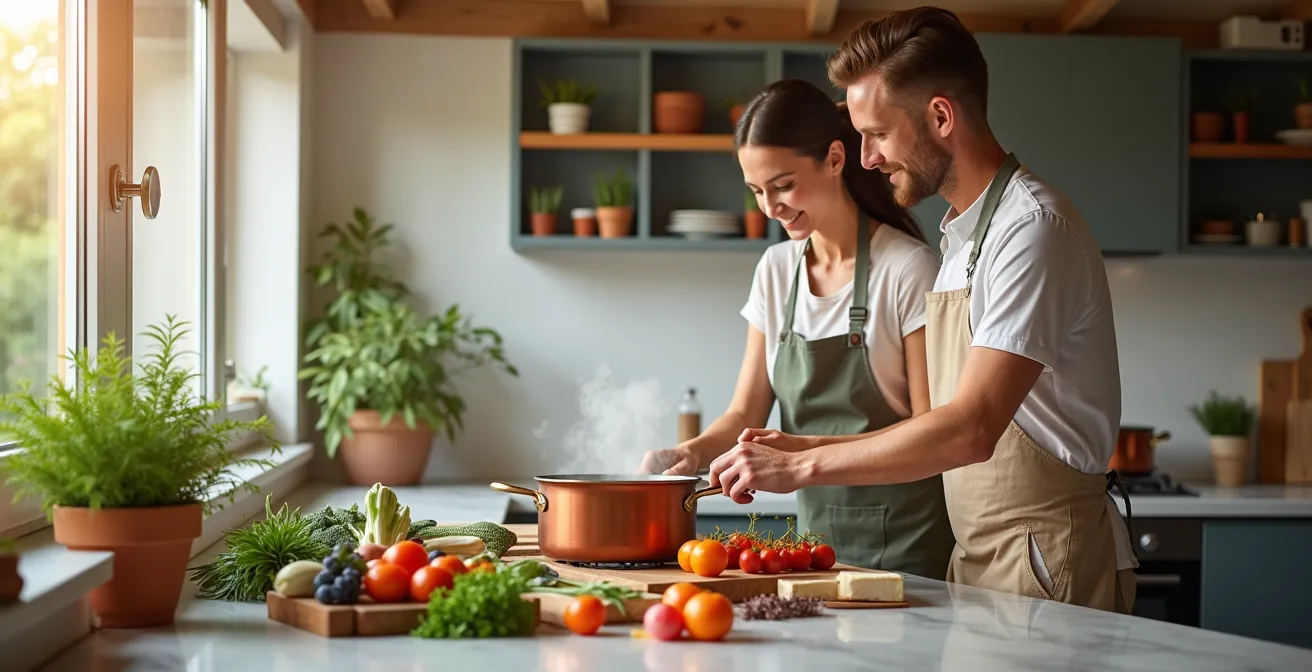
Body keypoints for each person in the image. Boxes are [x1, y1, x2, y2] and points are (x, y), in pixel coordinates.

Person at [705, 7, 1138, 614]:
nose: (867, 158)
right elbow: (940, 421)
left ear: (940, 117)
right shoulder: (964, 236)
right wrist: (793, 448)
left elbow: (971, 427)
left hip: (1045, 559)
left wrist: (800, 467)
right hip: (981, 557)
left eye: (877, 133)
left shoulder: (1032, 229)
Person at [639, 78, 956, 580]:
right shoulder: (775, 269)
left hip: (907, 553)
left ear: (835, 159)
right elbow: (745, 411)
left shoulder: (907, 269)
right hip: (811, 551)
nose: (770, 207)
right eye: (757, 191)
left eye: (783, 185)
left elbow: (933, 433)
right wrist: (690, 454)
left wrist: (801, 461)